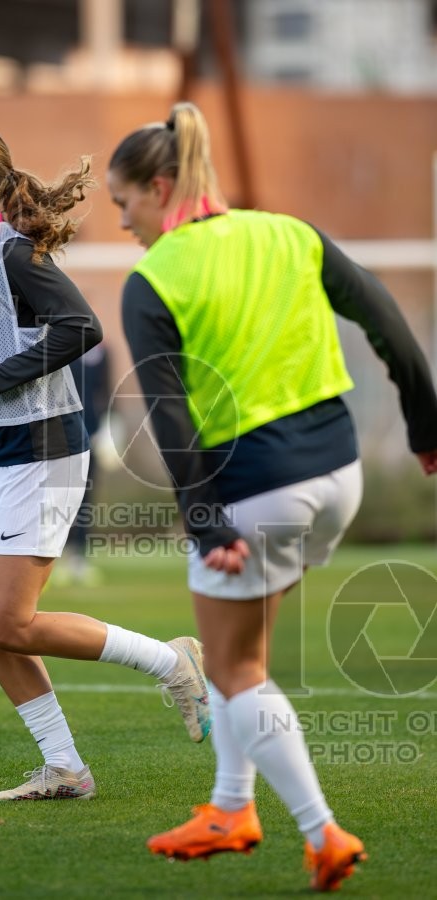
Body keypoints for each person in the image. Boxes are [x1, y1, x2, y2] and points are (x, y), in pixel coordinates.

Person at [107, 101, 437, 890]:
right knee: (239, 654)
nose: (121, 223)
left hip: (256, 492)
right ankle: (228, 808)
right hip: (338, 478)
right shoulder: (290, 233)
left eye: (123, 204)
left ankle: (322, 833)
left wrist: (203, 520)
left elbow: (170, 411)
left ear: (160, 187)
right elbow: (386, 319)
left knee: (233, 668)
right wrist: (426, 426)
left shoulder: (153, 278)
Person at [0, 124, 211, 803]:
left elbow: (81, 327)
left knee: (12, 624)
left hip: (44, 451)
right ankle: (65, 768)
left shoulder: (14, 253)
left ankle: (173, 663)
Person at [54, 342, 112, 586]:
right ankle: (54, 555)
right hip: (63, 434)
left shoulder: (104, 353)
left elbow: (106, 392)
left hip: (92, 435)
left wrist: (109, 430)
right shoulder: (64, 349)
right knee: (59, 497)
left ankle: (79, 558)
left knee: (85, 498)